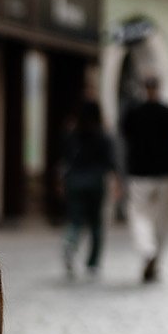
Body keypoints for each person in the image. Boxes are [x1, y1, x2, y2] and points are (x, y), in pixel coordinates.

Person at [121, 76, 168, 283]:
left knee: (139, 214)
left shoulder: (133, 113)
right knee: (162, 219)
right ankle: (154, 257)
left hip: (139, 172)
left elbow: (125, 138)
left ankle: (147, 250)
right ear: (158, 88)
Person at [58, 100, 120, 279]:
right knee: (96, 223)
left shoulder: (72, 134)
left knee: (75, 220)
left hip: (75, 182)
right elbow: (110, 162)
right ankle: (93, 262)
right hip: (95, 182)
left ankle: (70, 243)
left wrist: (62, 181)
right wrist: (116, 183)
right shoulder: (102, 136)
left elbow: (66, 160)